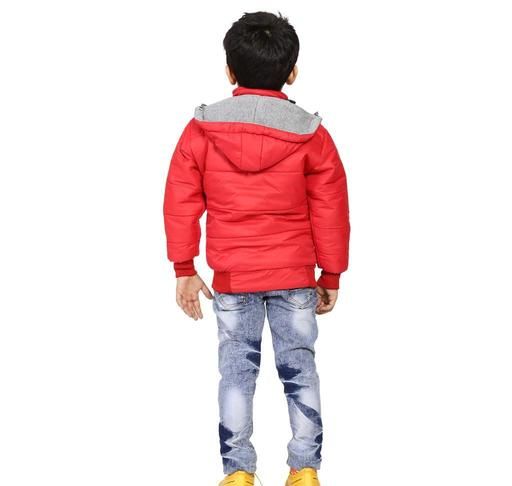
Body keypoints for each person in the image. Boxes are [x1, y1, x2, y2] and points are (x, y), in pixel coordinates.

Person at [163, 11, 350, 486]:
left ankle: (238, 475)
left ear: (230, 72)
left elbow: (180, 200)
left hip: (233, 278)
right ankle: (305, 470)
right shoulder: (311, 134)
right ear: (292, 72)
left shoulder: (201, 130)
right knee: (300, 371)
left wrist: (184, 267)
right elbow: (331, 207)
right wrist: (331, 273)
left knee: (236, 375)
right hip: (295, 277)